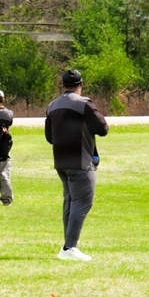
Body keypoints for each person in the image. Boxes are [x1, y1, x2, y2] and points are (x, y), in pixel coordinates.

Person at [45, 70, 109, 261]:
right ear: (80, 85)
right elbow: (103, 128)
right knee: (82, 202)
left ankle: (68, 245)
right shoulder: (84, 104)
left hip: (61, 161)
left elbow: (50, 137)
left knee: (70, 202)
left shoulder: (52, 105)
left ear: (62, 85)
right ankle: (69, 247)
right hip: (81, 161)